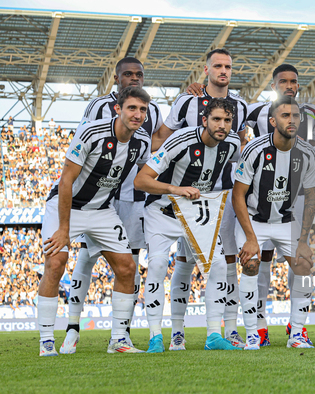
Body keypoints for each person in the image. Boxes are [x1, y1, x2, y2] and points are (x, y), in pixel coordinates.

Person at [37, 86, 152, 356]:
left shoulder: (142, 141)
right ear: (118, 109)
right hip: (66, 206)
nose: (137, 114)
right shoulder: (91, 133)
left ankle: (118, 340)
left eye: (143, 110)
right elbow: (66, 181)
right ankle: (46, 340)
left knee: (127, 268)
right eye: (132, 108)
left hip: (102, 209)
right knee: (56, 263)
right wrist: (64, 229)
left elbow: (147, 175)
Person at [62, 57, 163, 354]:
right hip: (100, 195)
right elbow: (82, 146)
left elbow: (153, 145)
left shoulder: (152, 109)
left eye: (139, 74)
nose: (134, 79)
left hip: (133, 196)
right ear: (117, 78)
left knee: (128, 263)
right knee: (86, 257)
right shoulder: (97, 106)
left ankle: (122, 333)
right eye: (128, 74)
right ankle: (72, 327)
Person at [151, 48, 249, 349]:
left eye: (228, 66)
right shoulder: (187, 100)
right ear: (205, 70)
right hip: (176, 197)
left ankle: (225, 330)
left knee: (225, 260)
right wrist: (172, 178)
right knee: (181, 261)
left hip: (214, 200)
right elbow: (159, 140)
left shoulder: (241, 106)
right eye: (217, 66)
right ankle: (175, 331)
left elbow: (240, 148)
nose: (223, 71)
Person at [135, 97, 242, 352]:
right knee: (159, 264)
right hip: (163, 210)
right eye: (216, 119)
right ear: (204, 120)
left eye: (227, 120)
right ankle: (155, 336)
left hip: (197, 214)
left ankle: (214, 336)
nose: (222, 125)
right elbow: (141, 180)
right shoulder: (181, 140)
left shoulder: (233, 144)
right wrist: (176, 189)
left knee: (218, 265)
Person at [243, 63, 315, 346]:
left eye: (294, 82)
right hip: (260, 194)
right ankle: (258, 325)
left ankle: (296, 327)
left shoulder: (310, 115)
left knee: (301, 260)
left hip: (295, 199)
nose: (289, 86)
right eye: (283, 81)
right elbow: (230, 126)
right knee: (259, 259)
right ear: (273, 85)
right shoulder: (254, 111)